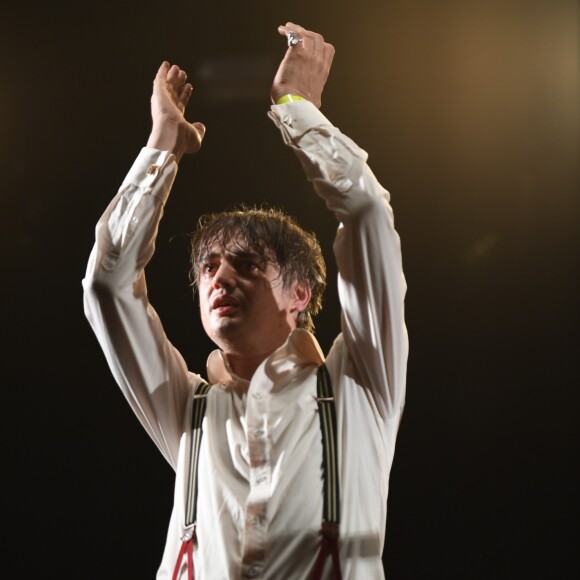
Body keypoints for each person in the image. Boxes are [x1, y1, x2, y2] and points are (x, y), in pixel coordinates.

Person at [83, 21, 408, 580]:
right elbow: (107, 285)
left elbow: (369, 216)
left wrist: (298, 106)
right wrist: (162, 147)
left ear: (300, 294)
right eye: (209, 266)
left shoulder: (360, 385)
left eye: (247, 264)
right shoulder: (189, 411)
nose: (220, 278)